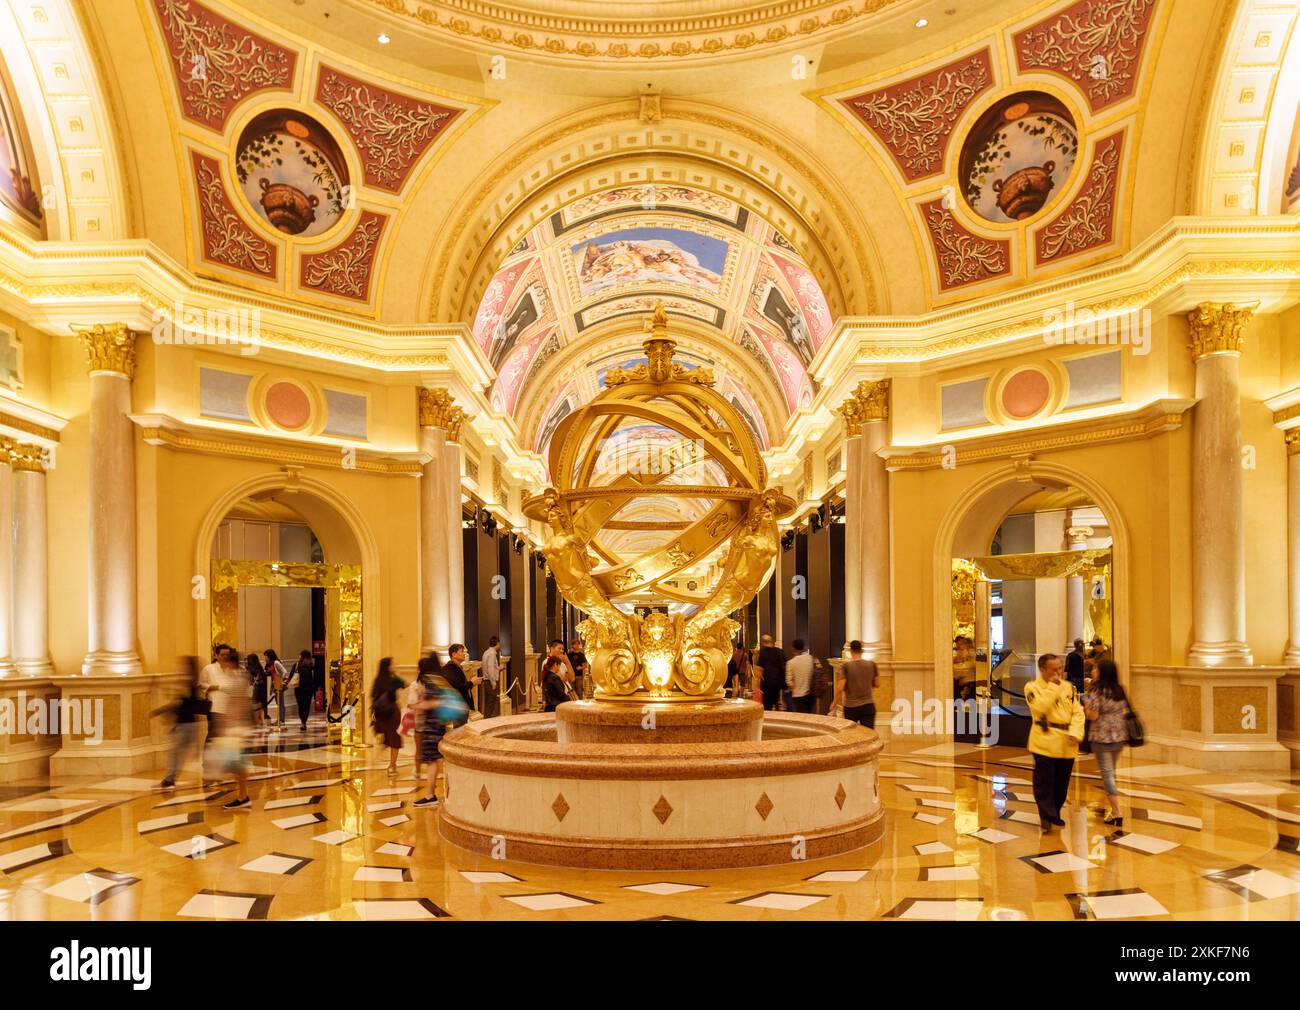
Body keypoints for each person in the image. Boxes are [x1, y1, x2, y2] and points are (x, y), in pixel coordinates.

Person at [1025, 652, 1084, 831]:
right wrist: (1053, 687)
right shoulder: (1032, 687)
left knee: (1061, 782)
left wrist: (1075, 732)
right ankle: (1046, 815)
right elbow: (1040, 707)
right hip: (1044, 740)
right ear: (1042, 669)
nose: (1059, 672)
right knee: (1044, 780)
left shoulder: (1070, 687)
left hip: (1066, 742)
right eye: (1054, 669)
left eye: (1060, 668)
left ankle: (1054, 813)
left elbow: (1078, 712)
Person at [414, 653, 471, 808]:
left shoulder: (428, 680)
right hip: (438, 724)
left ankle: (430, 795)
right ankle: (436, 792)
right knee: (435, 760)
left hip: (431, 726)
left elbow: (434, 702)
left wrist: (418, 706)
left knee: (432, 761)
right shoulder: (440, 678)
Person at [1084, 658, 1130, 826]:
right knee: (1111, 772)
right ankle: (1107, 806)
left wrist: (1086, 700)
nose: (1093, 671)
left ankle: (1117, 811)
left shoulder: (1097, 691)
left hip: (1101, 736)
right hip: (1119, 735)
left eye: (1095, 669)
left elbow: (1092, 715)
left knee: (1107, 774)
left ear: (1102, 672)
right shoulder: (1119, 690)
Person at [209, 647, 253, 809]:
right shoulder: (238, 677)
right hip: (237, 728)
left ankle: (243, 796)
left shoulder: (238, 679)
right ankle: (242, 795)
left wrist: (228, 725)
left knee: (238, 765)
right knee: (237, 766)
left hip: (237, 729)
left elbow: (238, 704)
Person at [156, 657, 206, 789]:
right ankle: (170, 778)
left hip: (185, 724)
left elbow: (179, 702)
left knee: (175, 752)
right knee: (177, 753)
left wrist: (161, 710)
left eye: (183, 665)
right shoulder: (192, 683)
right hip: (187, 723)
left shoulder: (187, 684)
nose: (180, 667)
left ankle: (169, 779)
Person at [831, 640, 879, 728]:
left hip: (851, 707)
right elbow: (877, 683)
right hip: (868, 705)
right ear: (861, 650)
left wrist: (834, 703)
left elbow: (840, 688)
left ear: (850, 651)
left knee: (852, 734)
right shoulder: (872, 664)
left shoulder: (846, 666)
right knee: (869, 734)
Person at [370, 657, 404, 776]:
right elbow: (405, 684)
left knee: (385, 739)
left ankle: (374, 760)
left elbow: (373, 696)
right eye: (393, 664)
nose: (395, 666)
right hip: (392, 712)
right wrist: (396, 674)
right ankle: (392, 766)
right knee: (395, 739)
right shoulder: (393, 680)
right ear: (388, 666)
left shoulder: (378, 680)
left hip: (381, 713)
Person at [755, 634, 787, 711]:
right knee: (776, 702)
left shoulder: (762, 653)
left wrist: (757, 686)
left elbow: (759, 670)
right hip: (777, 683)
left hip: (766, 683)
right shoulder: (780, 652)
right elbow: (784, 667)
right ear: (772, 641)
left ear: (763, 642)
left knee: (767, 705)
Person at [785, 638, 817, 713]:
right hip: (810, 694)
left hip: (797, 695)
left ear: (793, 648)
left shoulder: (790, 663)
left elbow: (789, 682)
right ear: (803, 648)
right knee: (809, 715)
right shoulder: (810, 658)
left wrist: (794, 689)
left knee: (801, 717)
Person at [264, 649, 290, 730]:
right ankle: (279, 719)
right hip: (276, 685)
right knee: (278, 702)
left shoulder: (276, 663)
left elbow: (285, 672)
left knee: (280, 702)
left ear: (270, 656)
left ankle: (281, 720)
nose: (265, 658)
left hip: (279, 684)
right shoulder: (272, 664)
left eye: (266, 657)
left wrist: (280, 681)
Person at [479, 636, 501, 719]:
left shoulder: (486, 652)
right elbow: (490, 668)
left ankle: (487, 720)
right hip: (490, 682)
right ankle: (487, 722)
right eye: (499, 643)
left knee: (488, 703)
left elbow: (490, 667)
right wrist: (493, 682)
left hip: (486, 681)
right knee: (490, 704)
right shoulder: (492, 654)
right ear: (497, 643)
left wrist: (498, 669)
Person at [247, 651, 267, 728]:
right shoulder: (260, 667)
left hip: (254, 688)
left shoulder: (249, 668)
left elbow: (249, 679)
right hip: (262, 687)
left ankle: (256, 721)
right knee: (261, 705)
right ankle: (262, 720)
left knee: (255, 704)